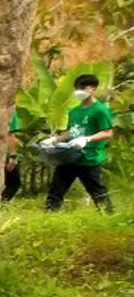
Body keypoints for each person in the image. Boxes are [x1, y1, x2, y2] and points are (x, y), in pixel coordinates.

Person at [47, 73, 114, 211]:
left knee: (98, 193)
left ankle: (109, 217)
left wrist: (87, 139)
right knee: (56, 190)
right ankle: (49, 215)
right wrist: (54, 139)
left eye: (83, 87)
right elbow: (71, 132)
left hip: (89, 158)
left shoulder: (100, 110)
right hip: (69, 156)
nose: (79, 91)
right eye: (77, 88)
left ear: (93, 88)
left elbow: (108, 133)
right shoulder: (74, 111)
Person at [4, 107, 24, 202]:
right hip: (1, 154)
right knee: (14, 183)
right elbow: (9, 135)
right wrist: (12, 156)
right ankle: (2, 202)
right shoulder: (9, 111)